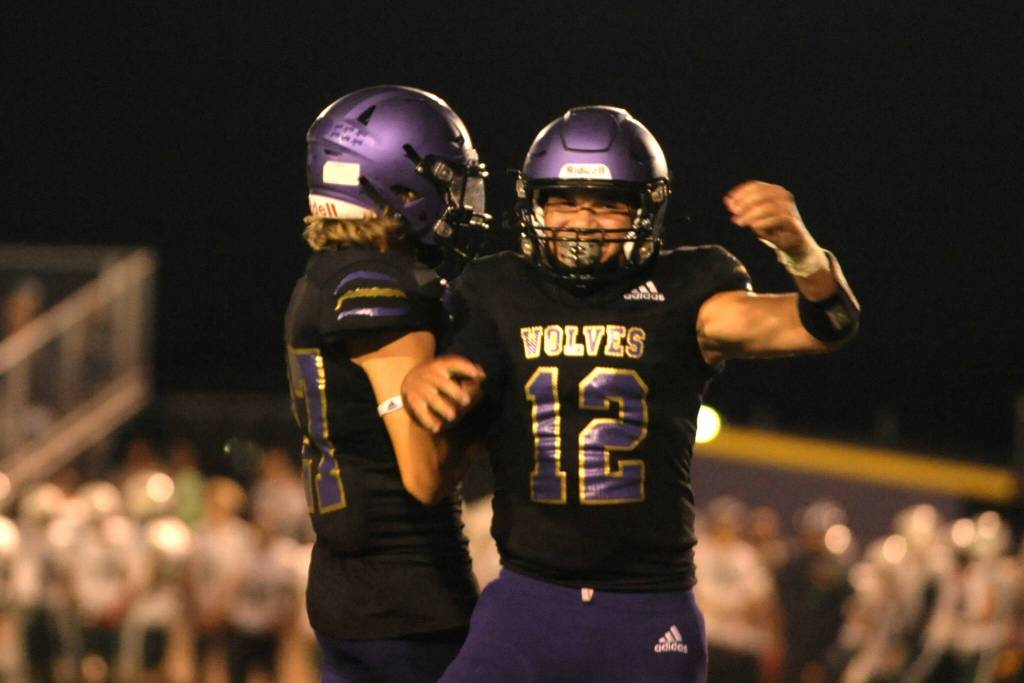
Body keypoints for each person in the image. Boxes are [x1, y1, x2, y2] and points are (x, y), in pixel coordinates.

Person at [402, 105, 860, 682]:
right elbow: (445, 427)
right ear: (534, 203)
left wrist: (800, 250)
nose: (583, 222)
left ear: (645, 208)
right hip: (526, 603)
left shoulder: (687, 289)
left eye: (607, 202)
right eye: (565, 200)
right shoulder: (496, 289)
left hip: (647, 613)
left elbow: (828, 322)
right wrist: (416, 378)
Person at [285, 85, 488, 682]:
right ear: (394, 184)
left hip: (348, 587)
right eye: (444, 177)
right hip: (408, 598)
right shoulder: (383, 283)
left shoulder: (325, 274)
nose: (458, 195)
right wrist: (490, 411)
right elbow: (424, 474)